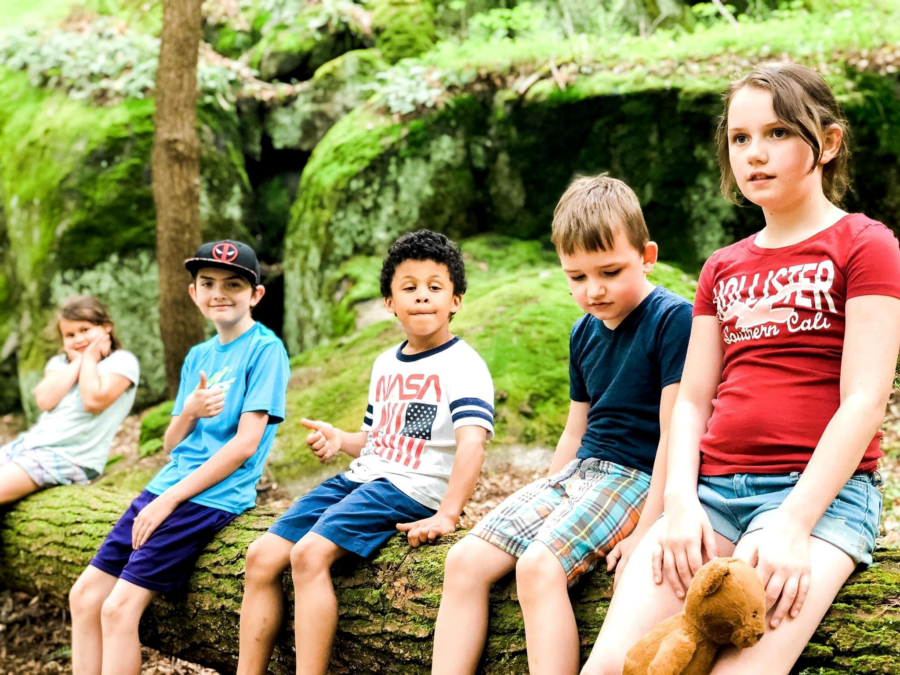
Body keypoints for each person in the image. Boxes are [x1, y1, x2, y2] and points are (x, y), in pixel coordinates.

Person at [582, 62, 900, 675]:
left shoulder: (866, 244)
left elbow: (864, 398)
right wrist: (678, 503)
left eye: (779, 133)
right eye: (740, 137)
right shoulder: (721, 267)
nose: (756, 152)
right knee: (611, 666)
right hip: (710, 496)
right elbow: (693, 399)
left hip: (820, 501)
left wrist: (792, 522)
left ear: (828, 143)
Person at [431, 175, 693, 675]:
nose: (594, 290)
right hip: (578, 475)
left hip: (635, 478)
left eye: (610, 272)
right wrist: (550, 489)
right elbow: (576, 430)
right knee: (463, 561)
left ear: (647, 255)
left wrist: (649, 530)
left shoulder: (672, 320)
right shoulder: (582, 332)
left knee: (538, 566)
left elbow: (676, 435)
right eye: (576, 277)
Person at [235, 229, 494, 675]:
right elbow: (379, 438)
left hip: (410, 488)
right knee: (260, 556)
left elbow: (472, 444)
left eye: (435, 287)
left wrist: (448, 514)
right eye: (408, 288)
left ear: (456, 300)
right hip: (363, 478)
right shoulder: (386, 363)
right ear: (390, 302)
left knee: (308, 555)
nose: (422, 297)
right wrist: (341, 439)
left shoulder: (463, 365)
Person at [68, 239, 290, 675]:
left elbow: (246, 444)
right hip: (167, 487)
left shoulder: (267, 351)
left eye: (233, 284)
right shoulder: (199, 356)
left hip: (209, 499)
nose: (218, 293)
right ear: (193, 293)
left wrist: (168, 501)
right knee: (85, 596)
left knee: (117, 610)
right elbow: (171, 445)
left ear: (256, 295)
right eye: (207, 283)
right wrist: (188, 410)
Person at [0, 296, 139, 504]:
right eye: (70, 335)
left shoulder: (122, 362)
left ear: (106, 328)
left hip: (69, 458)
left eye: (85, 330)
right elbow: (45, 400)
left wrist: (90, 360)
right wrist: (80, 361)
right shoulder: (60, 363)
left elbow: (93, 401)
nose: (78, 339)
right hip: (28, 446)